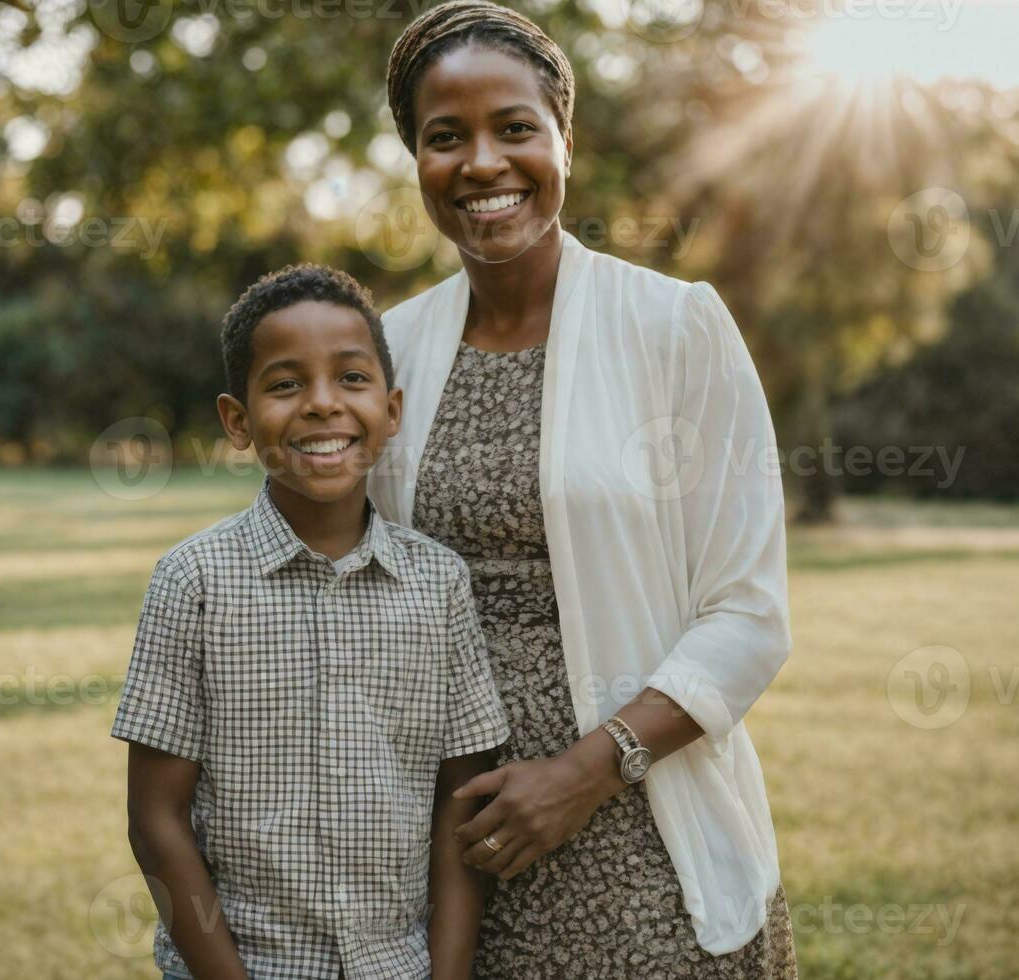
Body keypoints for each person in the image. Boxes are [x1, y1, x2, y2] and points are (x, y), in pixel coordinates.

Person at [365, 2, 800, 976]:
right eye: (444, 137)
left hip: (638, 835)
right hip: (441, 849)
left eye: (513, 127)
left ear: (564, 138)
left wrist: (583, 772)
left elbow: (746, 614)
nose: (481, 163)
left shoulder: (673, 326)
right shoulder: (385, 348)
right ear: (415, 159)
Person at [110, 264, 510, 980]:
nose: (322, 405)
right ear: (237, 420)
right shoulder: (193, 582)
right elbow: (156, 822)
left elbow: (460, 812)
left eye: (350, 379)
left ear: (390, 410)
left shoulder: (440, 584)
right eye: (286, 384)